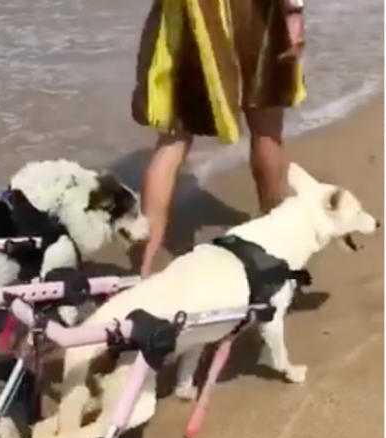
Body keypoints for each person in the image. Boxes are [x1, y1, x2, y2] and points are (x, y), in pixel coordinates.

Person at [131, 0, 307, 277]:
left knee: (173, 141)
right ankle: (275, 235)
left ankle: (143, 267)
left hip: (192, 12)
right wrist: (294, 11)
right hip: (259, 11)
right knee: (266, 127)